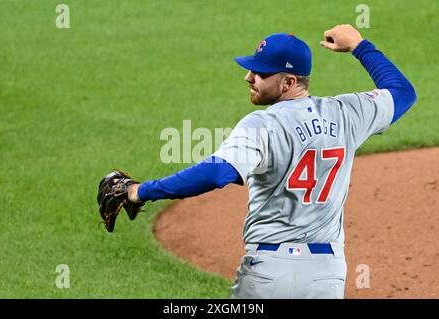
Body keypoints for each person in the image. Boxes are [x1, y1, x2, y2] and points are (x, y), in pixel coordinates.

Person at [126, 24, 417, 298]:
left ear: (289, 82)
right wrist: (359, 45)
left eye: (261, 73)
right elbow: (403, 93)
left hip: (270, 272)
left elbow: (217, 173)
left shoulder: (261, 125)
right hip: (326, 274)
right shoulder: (347, 112)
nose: (249, 77)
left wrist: (141, 191)